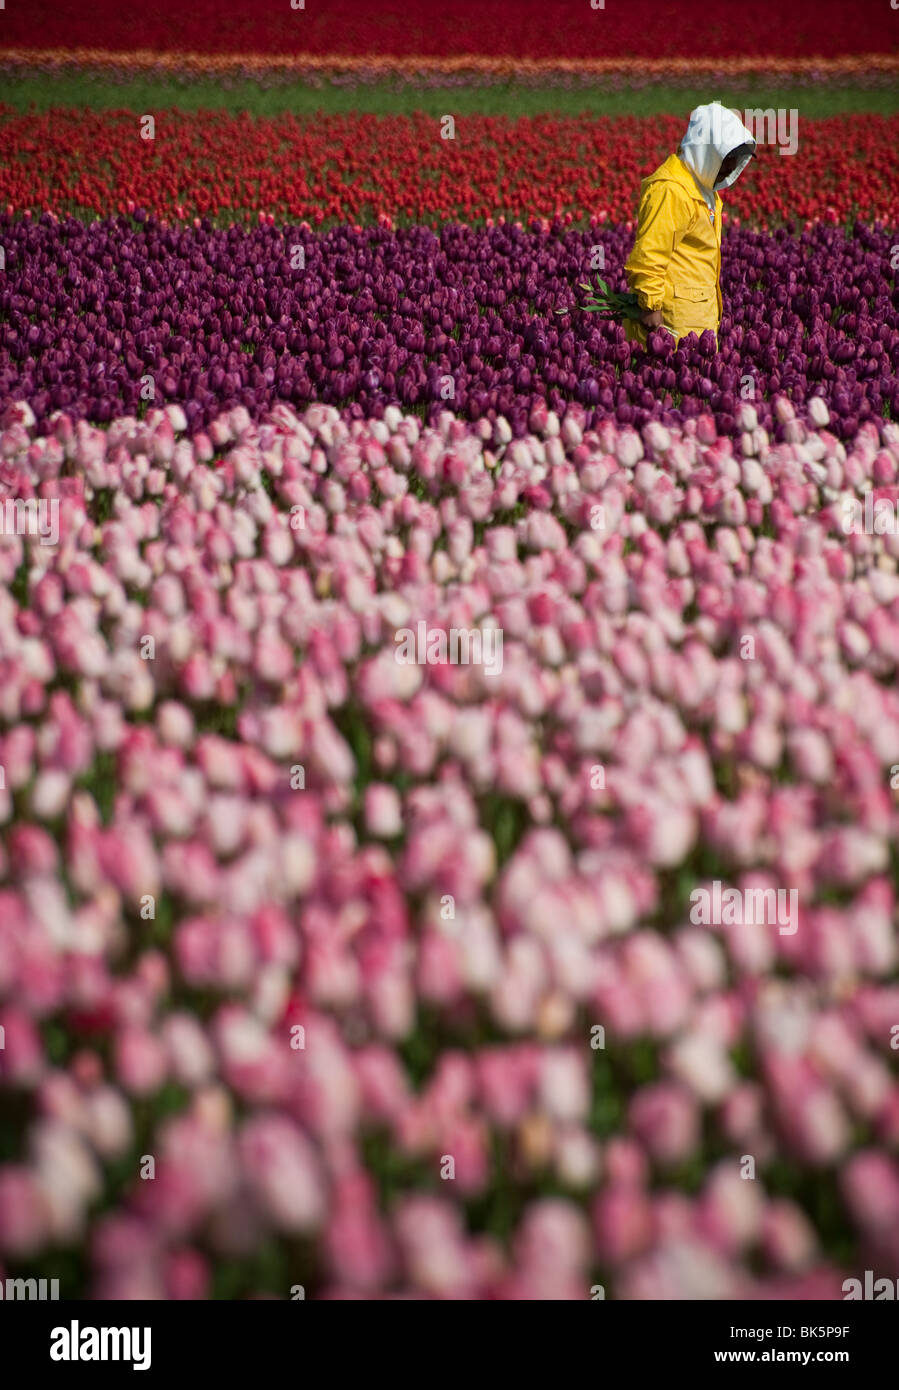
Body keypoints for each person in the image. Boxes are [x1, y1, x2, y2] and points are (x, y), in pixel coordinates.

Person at [624, 102, 756, 348]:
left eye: (735, 159)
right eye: (727, 157)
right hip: (673, 322)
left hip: (698, 319)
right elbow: (650, 253)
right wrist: (650, 305)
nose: (730, 167)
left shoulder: (704, 189)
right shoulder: (671, 190)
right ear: (705, 150)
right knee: (670, 381)